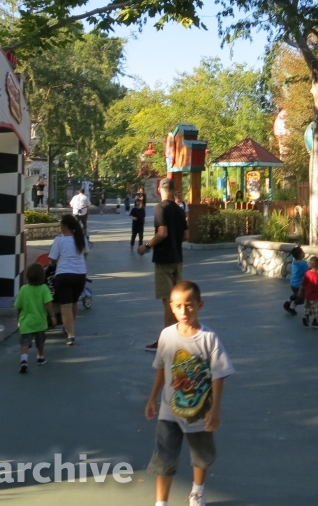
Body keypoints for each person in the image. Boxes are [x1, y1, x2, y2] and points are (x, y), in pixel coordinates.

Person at [145, 281, 233, 506]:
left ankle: (197, 492)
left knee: (200, 455)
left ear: (200, 305)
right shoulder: (166, 335)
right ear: (171, 308)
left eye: (189, 305)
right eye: (178, 306)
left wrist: (215, 409)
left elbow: (219, 373)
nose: (184, 311)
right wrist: (153, 398)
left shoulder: (208, 338)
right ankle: (161, 502)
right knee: (164, 457)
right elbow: (162, 370)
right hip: (169, 410)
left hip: (200, 412)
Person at [137, 177, 188, 351]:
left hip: (163, 259)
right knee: (176, 301)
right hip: (177, 259)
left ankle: (166, 342)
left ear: (160, 190)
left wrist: (146, 246)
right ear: (174, 191)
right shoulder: (180, 210)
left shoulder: (160, 208)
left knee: (168, 301)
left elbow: (162, 233)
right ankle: (178, 336)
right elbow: (186, 236)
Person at [48, 214, 88, 347]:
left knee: (65, 305)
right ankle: (69, 327)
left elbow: (52, 259)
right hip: (80, 275)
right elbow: (86, 253)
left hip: (64, 274)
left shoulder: (59, 240)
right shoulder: (80, 238)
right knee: (74, 302)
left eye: (61, 225)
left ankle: (71, 334)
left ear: (65, 226)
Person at [14, 263, 55, 373]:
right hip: (40, 322)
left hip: (26, 322)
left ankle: (24, 360)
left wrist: (18, 318)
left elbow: (18, 306)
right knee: (40, 342)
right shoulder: (44, 288)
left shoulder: (23, 289)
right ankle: (40, 357)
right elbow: (48, 304)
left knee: (25, 342)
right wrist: (52, 316)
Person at [282, 246, 309, 315]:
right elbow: (308, 271)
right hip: (299, 285)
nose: (304, 253)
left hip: (292, 283)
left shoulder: (294, 260)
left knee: (295, 294)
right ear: (300, 255)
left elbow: (295, 254)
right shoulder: (303, 264)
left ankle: (287, 303)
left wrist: (298, 247)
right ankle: (292, 307)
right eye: (302, 252)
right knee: (302, 298)